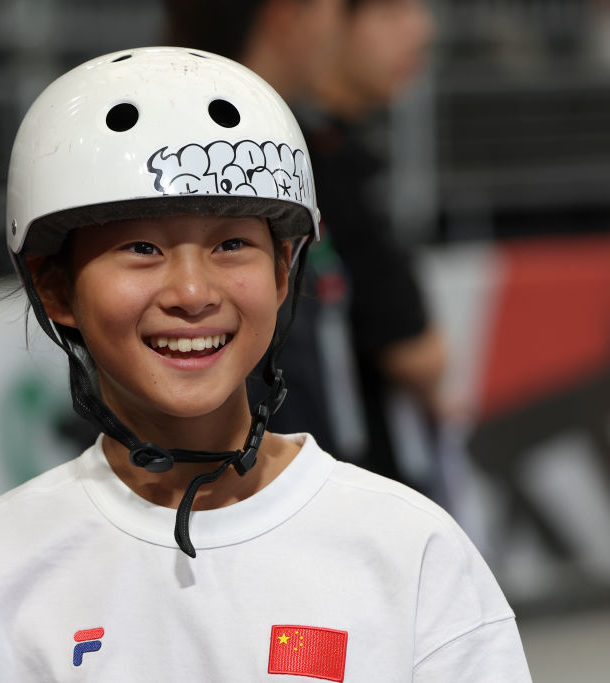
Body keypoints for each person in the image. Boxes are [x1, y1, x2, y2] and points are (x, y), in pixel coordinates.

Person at [0, 47, 530, 681]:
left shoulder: (410, 551)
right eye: (141, 248)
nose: (192, 294)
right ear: (56, 290)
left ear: (283, 273)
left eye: (231, 245)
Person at [164, 0, 446, 488]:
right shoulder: (274, 159)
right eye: (333, 11)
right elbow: (419, 356)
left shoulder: (275, 146)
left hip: (275, 487)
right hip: (256, 495)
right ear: (287, 14)